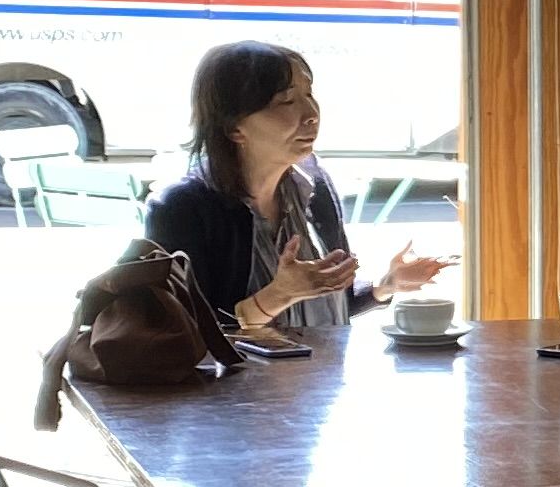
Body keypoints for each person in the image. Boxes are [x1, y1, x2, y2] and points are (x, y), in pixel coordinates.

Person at [144, 41, 445, 342]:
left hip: (323, 371)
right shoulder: (182, 208)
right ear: (234, 128)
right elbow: (185, 334)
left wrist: (386, 285)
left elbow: (326, 305)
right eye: (286, 101)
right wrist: (278, 295)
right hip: (244, 376)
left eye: (309, 95)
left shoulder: (314, 186)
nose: (311, 113)